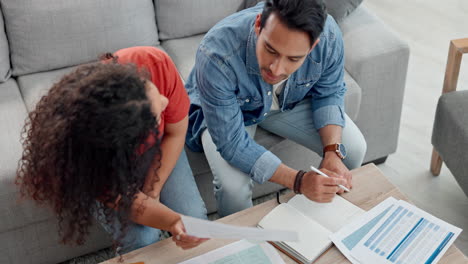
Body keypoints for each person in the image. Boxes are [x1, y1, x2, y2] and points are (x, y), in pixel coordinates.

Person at [16, 47, 208, 254]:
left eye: (154, 91)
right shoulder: (86, 157)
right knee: (142, 238)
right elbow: (132, 204)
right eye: (156, 117)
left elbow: (176, 133)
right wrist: (172, 221)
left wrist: (153, 191)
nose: (165, 102)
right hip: (111, 168)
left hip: (159, 147)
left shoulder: (155, 62)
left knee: (194, 217)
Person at [185, 0, 367, 217]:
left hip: (290, 101)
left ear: (313, 45)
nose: (276, 69)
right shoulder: (216, 53)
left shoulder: (329, 36)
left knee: (353, 149)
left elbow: (329, 93)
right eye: (270, 49)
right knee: (233, 186)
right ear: (259, 24)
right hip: (231, 111)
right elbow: (232, 144)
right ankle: (239, 243)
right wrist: (299, 181)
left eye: (294, 58)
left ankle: (317, 222)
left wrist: (333, 153)